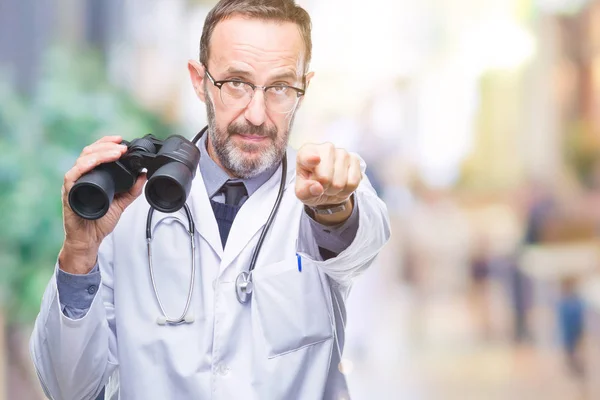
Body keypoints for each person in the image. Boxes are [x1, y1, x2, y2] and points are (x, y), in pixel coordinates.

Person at [29, 1, 391, 399]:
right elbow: (68, 391)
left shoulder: (323, 190)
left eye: (280, 87)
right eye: (236, 82)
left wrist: (334, 207)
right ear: (199, 80)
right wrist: (80, 252)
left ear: (303, 90)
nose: (256, 114)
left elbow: (361, 239)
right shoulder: (127, 209)